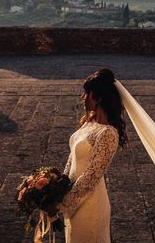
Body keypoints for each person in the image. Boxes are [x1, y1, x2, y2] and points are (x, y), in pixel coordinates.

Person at [58, 68, 127, 243]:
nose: (83, 97)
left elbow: (91, 176)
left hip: (90, 206)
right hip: (72, 202)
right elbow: (72, 158)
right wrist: (57, 187)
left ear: (99, 98)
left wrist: (63, 204)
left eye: (87, 93)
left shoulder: (108, 133)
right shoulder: (89, 121)